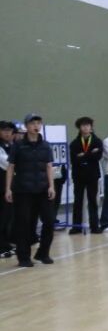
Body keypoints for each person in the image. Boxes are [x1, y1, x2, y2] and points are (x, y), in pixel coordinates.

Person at [5, 114, 57, 267]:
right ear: (26, 126)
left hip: (43, 190)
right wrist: (8, 188)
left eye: (38, 123)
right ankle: (23, 257)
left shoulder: (46, 145)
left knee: (49, 221)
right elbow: (11, 167)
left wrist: (51, 186)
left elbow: (49, 166)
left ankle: (43, 253)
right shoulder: (18, 145)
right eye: (33, 123)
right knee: (24, 224)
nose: (36, 125)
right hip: (23, 191)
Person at [68, 116, 104, 234]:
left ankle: (94, 226)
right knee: (78, 201)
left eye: (88, 125)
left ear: (91, 127)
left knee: (92, 201)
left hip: (92, 175)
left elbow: (98, 157)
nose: (86, 127)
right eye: (83, 125)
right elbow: (74, 160)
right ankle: (76, 226)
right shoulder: (74, 143)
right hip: (78, 175)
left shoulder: (97, 141)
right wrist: (90, 153)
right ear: (79, 128)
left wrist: (83, 155)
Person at [0, 121, 14, 257]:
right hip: (1, 186)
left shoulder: (10, 145)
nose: (7, 133)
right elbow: (6, 163)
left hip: (8, 187)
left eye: (9, 130)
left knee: (7, 217)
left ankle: (5, 244)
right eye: (4, 130)